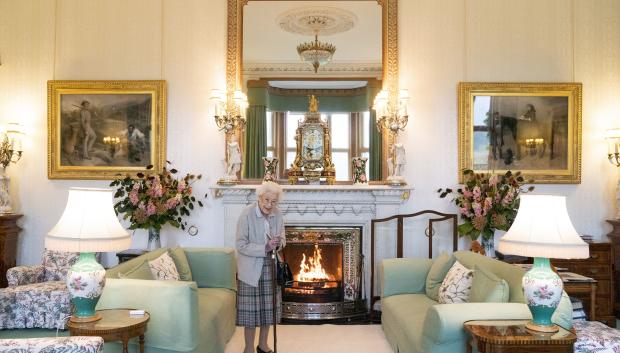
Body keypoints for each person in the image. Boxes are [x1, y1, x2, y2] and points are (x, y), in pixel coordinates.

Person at [236, 181, 285, 353]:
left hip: (270, 266)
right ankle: (248, 348)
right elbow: (241, 245)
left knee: (267, 311)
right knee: (251, 314)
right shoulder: (247, 214)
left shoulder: (278, 214)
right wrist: (264, 247)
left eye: (273, 202)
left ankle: (263, 345)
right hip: (250, 269)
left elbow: (283, 240)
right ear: (259, 198)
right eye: (266, 200)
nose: (269, 205)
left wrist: (277, 244)